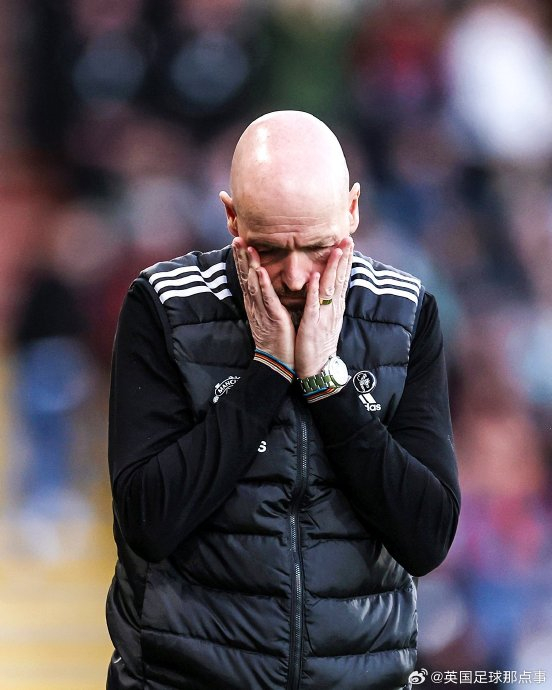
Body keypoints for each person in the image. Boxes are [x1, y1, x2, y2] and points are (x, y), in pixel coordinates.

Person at [106, 110, 460, 689]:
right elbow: (149, 521)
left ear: (352, 210)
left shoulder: (405, 312)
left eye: (318, 248)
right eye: (269, 249)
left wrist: (326, 384)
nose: (295, 277)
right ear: (230, 217)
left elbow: (427, 537)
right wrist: (269, 370)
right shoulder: (166, 306)